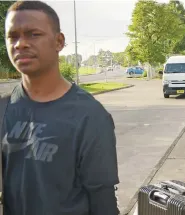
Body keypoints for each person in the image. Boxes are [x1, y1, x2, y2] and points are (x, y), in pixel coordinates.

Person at [2, 1, 119, 214]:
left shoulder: (90, 116)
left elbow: (103, 203)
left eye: (33, 34)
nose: (20, 44)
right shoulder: (4, 109)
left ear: (59, 41)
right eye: (13, 36)